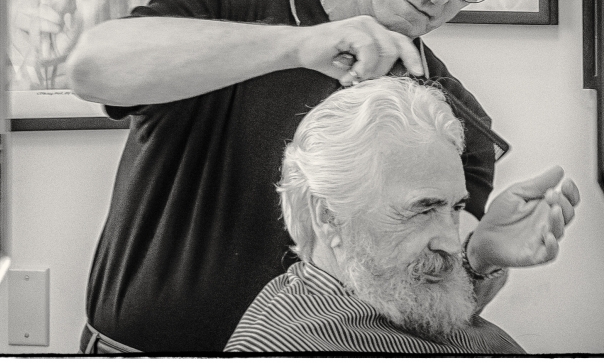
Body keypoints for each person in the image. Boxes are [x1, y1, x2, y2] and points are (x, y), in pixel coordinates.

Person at [68, 0, 578, 353]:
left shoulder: (452, 119)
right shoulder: (225, 6)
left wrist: (481, 256)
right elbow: (92, 68)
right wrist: (297, 46)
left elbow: (429, 308)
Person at [225, 78, 577, 353]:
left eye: (455, 208)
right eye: (423, 210)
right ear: (328, 215)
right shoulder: (287, 346)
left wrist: (480, 258)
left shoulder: (384, 288)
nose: (451, 242)